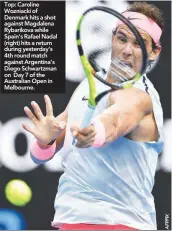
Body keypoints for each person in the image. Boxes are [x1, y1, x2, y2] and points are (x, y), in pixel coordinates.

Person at [23, 2, 165, 230]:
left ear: (154, 51)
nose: (127, 49)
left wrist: (95, 133)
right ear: (112, 39)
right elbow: (40, 157)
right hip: (71, 220)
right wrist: (45, 140)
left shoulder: (141, 97)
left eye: (139, 43)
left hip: (121, 224)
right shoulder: (85, 87)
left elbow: (116, 120)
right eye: (122, 39)